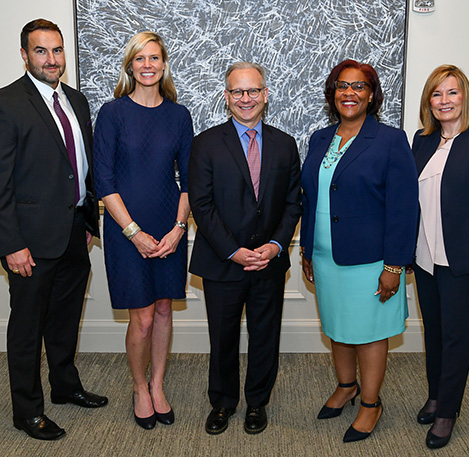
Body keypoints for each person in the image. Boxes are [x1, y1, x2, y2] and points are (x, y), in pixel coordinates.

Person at [0, 19, 107, 441]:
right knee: (28, 326)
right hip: (29, 240)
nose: (51, 59)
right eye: (41, 51)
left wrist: (88, 219)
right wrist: (11, 245)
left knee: (66, 319)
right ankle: (27, 410)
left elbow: (80, 169)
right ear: (24, 55)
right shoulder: (3, 104)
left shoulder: (77, 100)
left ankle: (65, 387)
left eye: (57, 50)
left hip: (73, 232)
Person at [300, 59, 418, 443]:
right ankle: (346, 385)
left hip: (371, 260)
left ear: (372, 95)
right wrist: (306, 249)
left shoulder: (389, 140)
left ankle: (370, 404)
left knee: (369, 332)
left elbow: (403, 207)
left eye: (359, 86)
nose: (349, 93)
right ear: (332, 94)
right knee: (336, 326)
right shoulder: (320, 139)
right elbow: (310, 198)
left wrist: (395, 266)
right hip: (324, 254)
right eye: (342, 86)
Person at [189, 62, 301, 435]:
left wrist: (274, 245)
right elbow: (201, 206)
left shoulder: (285, 144)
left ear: (265, 95)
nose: (246, 99)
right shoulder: (205, 143)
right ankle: (222, 403)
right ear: (227, 97)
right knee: (222, 337)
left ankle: (257, 402)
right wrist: (233, 250)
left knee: (265, 334)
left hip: (268, 261)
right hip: (223, 261)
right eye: (237, 92)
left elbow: (292, 203)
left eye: (253, 91)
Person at [93, 31, 192, 430]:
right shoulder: (112, 113)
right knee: (144, 318)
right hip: (125, 228)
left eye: (154, 58)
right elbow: (103, 180)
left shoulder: (179, 115)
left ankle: (158, 384)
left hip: (169, 226)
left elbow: (190, 180)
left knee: (165, 309)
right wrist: (134, 232)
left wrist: (178, 229)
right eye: (140, 59)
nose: (147, 65)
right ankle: (138, 387)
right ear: (130, 66)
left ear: (164, 64)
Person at [412, 64, 469, 449]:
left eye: (451, 92)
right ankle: (436, 395)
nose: (444, 101)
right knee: (433, 334)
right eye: (436, 94)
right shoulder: (420, 140)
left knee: (455, 337)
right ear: (428, 102)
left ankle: (448, 410)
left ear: (464, 97)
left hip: (461, 262)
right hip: (423, 258)